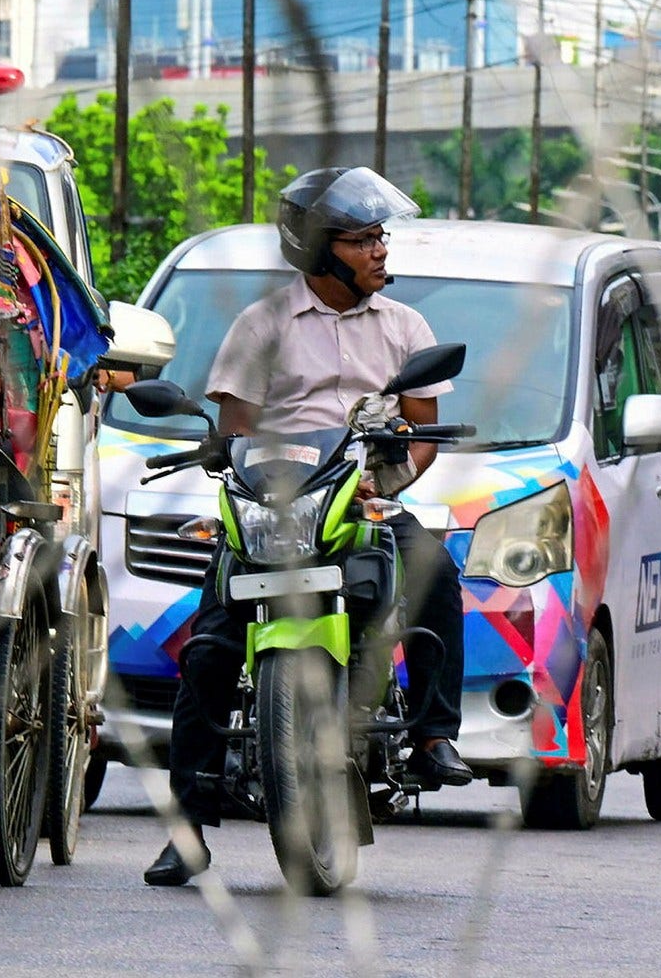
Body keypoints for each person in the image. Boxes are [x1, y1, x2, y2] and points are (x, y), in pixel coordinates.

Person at [144, 167, 474, 887]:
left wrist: (387, 482)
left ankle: (433, 734)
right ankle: (186, 828)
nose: (381, 251)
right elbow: (233, 433)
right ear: (322, 252)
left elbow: (423, 429)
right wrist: (235, 469)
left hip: (362, 503)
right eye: (363, 240)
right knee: (208, 650)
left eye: (380, 237)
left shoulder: (406, 327)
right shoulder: (261, 325)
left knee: (436, 572)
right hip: (274, 511)